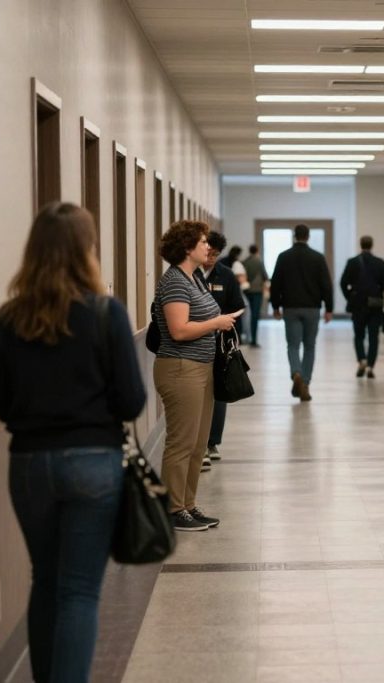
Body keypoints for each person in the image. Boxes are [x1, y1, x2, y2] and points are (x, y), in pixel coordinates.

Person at [0, 203, 146, 682]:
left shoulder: (11, 317)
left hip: (30, 464)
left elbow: (3, 403)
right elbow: (132, 399)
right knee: (79, 590)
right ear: (88, 249)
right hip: (94, 463)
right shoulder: (105, 313)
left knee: (46, 580)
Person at [153, 220, 239, 531]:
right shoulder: (175, 281)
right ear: (188, 248)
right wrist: (217, 323)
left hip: (201, 368)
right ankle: (173, 509)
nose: (208, 247)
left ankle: (188, 504)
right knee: (182, 442)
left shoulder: (195, 278)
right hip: (180, 369)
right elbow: (178, 330)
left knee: (198, 443)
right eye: (203, 242)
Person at [270, 223, 334, 401]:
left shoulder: (283, 257)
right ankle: (305, 382)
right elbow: (326, 285)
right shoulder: (318, 258)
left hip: (290, 308)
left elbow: (276, 283)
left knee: (293, 345)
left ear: (294, 236)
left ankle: (295, 372)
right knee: (310, 346)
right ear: (308, 236)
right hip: (312, 308)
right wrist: (329, 308)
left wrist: (275, 306)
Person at [203, 231, 246, 464]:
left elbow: (239, 306)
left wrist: (228, 320)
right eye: (208, 253)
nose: (210, 258)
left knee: (219, 391)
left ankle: (212, 442)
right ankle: (199, 444)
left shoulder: (226, 276)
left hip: (220, 341)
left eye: (215, 255)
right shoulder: (192, 275)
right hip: (196, 340)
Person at [340, 235, 384, 378]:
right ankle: (370, 366)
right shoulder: (379, 263)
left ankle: (361, 359)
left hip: (357, 304)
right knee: (373, 336)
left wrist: (349, 296)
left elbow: (343, 282)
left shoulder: (352, 262)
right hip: (375, 305)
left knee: (358, 335)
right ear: (372, 245)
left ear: (361, 245)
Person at [242, 244, 268, 346]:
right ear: (257, 251)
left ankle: (246, 337)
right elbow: (265, 276)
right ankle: (254, 340)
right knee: (255, 316)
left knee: (247, 316)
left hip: (247, 291)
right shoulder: (259, 261)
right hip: (257, 291)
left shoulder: (245, 262)